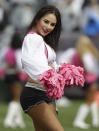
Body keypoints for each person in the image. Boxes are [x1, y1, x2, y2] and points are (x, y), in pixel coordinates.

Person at [20, 5, 65, 131]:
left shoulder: (43, 41)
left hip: (47, 95)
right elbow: (28, 61)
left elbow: (51, 64)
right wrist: (50, 73)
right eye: (46, 21)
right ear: (37, 19)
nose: (48, 27)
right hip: (34, 94)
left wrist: (64, 71)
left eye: (52, 24)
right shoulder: (32, 38)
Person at [72, 35, 99, 129]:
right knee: (89, 100)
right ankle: (78, 120)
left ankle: (96, 120)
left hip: (83, 79)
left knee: (91, 100)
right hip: (90, 79)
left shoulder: (76, 53)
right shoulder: (86, 53)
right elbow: (90, 67)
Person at [3, 32, 25, 128]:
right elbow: (19, 66)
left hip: (7, 75)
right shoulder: (18, 52)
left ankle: (18, 121)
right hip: (15, 76)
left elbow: (5, 63)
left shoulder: (8, 51)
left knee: (16, 98)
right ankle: (8, 120)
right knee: (16, 99)